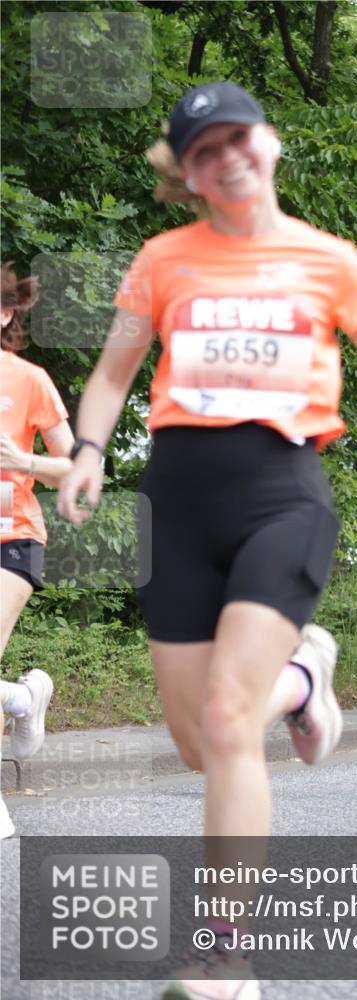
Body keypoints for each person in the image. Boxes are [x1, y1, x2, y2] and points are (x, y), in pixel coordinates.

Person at [57, 81, 357, 999]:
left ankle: (224, 949)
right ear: (189, 175)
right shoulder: (162, 259)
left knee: (231, 724)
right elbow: (113, 373)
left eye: (238, 137)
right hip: (177, 505)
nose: (226, 155)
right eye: (204, 150)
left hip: (282, 496)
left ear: (267, 144)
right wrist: (83, 451)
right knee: (199, 744)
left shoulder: (330, 259)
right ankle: (306, 678)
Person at [0, 262, 74, 840]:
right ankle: (24, 699)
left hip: (13, 536)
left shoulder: (29, 380)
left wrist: (24, 462)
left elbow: (72, 466)